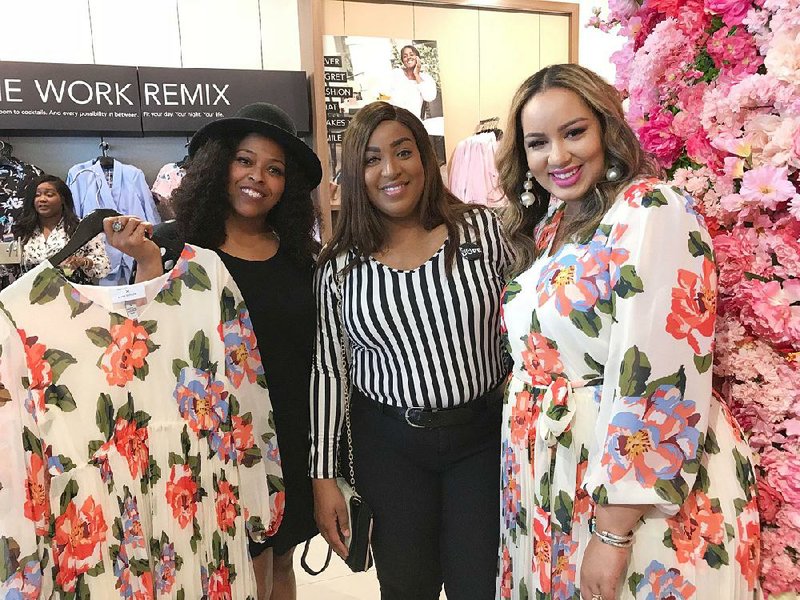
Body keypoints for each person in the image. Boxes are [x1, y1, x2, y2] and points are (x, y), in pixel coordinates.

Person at [495, 63, 760, 600]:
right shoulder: (553, 226)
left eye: (575, 132)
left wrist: (612, 531)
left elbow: (660, 375)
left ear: (606, 128)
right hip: (554, 472)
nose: (559, 157)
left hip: (632, 494)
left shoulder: (653, 209)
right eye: (538, 143)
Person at [310, 101, 512, 600]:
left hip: (481, 439)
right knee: (406, 587)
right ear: (355, 173)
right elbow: (329, 370)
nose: (390, 170)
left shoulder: (483, 232)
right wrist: (323, 476)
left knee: (479, 584)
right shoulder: (339, 265)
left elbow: (528, 326)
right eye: (372, 158)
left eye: (403, 152)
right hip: (390, 446)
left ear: (426, 157)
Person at [132, 102, 323, 600]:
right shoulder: (176, 247)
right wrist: (145, 265)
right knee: (220, 567)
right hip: (205, 439)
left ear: (289, 186)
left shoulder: (302, 259)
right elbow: (144, 343)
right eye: (245, 160)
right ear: (220, 166)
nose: (257, 177)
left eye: (274, 169)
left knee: (278, 566)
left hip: (286, 437)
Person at [13, 174, 110, 282]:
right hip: (31, 294)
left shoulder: (82, 228)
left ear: (63, 199)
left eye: (49, 195)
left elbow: (104, 265)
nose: (42, 199)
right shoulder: (24, 230)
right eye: (37, 195)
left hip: (73, 294)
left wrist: (82, 261)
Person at [384, 44, 437, 121]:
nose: (408, 57)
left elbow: (429, 97)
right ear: (402, 61)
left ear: (418, 58)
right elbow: (385, 95)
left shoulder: (426, 78)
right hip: (395, 121)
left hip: (414, 122)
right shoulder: (395, 74)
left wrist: (416, 74)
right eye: (405, 56)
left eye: (411, 54)